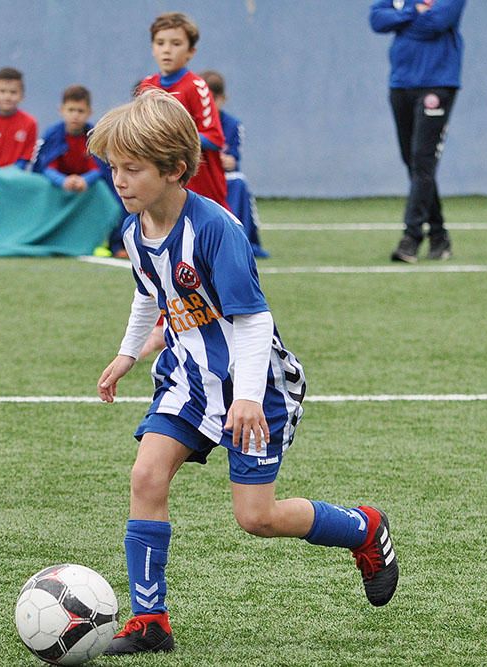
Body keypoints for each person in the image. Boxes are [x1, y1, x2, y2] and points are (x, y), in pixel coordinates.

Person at [88, 89, 400, 655]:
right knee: (146, 477)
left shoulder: (215, 230)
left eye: (132, 169)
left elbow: (254, 321)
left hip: (257, 388)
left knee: (256, 518)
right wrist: (128, 353)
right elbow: (147, 295)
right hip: (187, 379)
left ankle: (365, 528)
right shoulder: (135, 231)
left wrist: (249, 397)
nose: (120, 180)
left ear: (175, 169)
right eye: (114, 168)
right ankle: (150, 620)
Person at [370, 0, 466, 263]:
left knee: (422, 160)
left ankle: (411, 238)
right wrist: (413, 12)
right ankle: (439, 235)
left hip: (437, 84)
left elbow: (437, 23)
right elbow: (377, 20)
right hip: (401, 84)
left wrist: (401, 19)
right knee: (412, 162)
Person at [138, 12, 228, 209]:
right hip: (161, 185)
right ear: (153, 48)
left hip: (201, 187)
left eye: (176, 43)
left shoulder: (196, 86)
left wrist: (173, 136)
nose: (167, 50)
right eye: (160, 43)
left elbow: (214, 138)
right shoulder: (147, 86)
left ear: (191, 52)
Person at [200, 69, 268, 258]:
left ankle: (240, 238)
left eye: (213, 100)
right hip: (198, 178)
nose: (209, 106)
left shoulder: (232, 125)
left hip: (222, 178)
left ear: (223, 99)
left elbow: (234, 159)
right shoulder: (191, 122)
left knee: (239, 182)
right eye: (204, 101)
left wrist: (229, 161)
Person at [34, 85, 102, 192]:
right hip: (57, 189)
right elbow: (46, 167)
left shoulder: (94, 136)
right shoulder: (52, 134)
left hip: (86, 190)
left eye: (80, 111)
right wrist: (63, 181)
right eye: (71, 110)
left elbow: (99, 168)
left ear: (89, 112)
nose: (75, 115)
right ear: (61, 110)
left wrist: (85, 180)